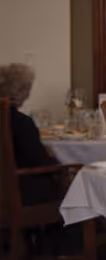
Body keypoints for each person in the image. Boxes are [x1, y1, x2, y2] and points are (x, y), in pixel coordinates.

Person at [0, 63, 60, 206]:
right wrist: (58, 162)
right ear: (24, 91)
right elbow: (40, 162)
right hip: (20, 193)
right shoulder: (22, 122)